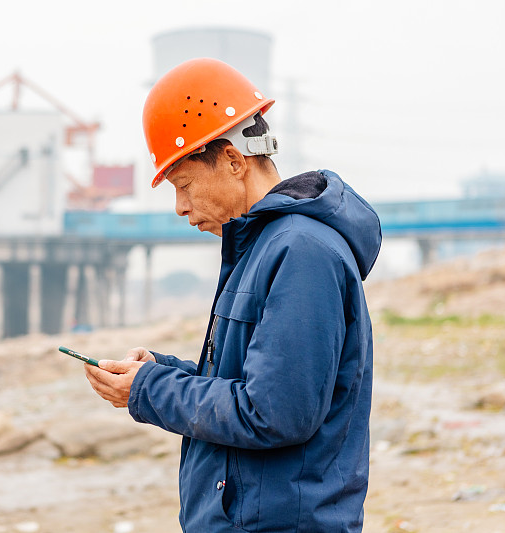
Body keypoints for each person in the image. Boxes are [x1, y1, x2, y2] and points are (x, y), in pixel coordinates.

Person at [84, 57, 382, 532]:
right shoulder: (263, 248)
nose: (180, 207)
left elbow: (274, 414)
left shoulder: (301, 252)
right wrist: (160, 370)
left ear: (232, 160)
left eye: (183, 185)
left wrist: (148, 390)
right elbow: (249, 383)